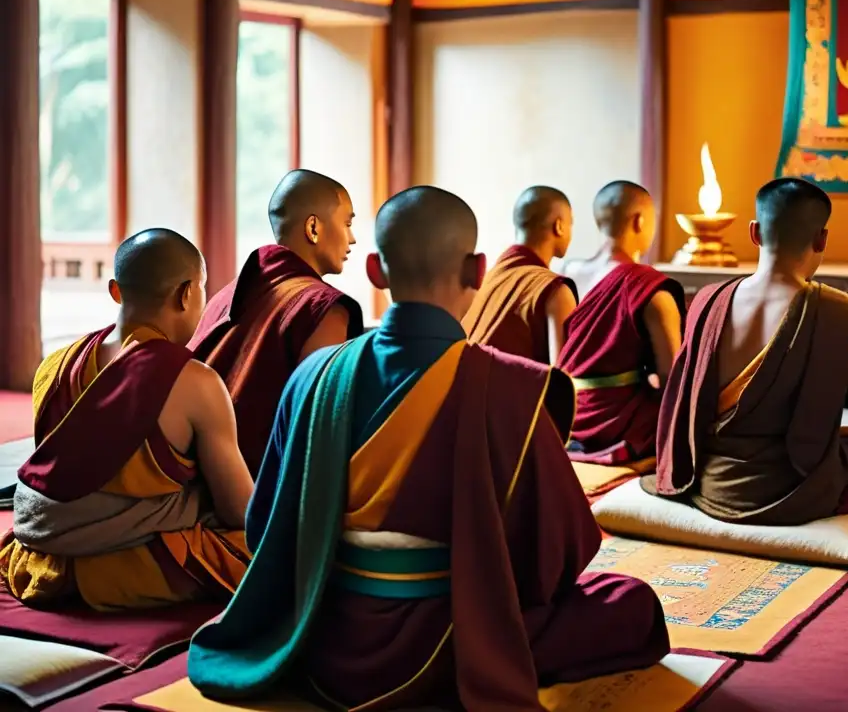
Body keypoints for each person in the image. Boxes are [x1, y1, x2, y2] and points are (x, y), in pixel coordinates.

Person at [187, 186, 669, 711]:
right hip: (458, 633)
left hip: (326, 634)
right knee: (633, 605)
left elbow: (265, 529)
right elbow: (562, 551)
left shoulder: (313, 377)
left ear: (375, 270)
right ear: (477, 271)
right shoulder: (509, 387)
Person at [649, 178, 848, 528]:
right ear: (822, 239)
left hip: (710, 483)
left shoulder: (707, 301)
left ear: (754, 233)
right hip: (791, 491)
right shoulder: (837, 315)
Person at [0, 230, 252, 611]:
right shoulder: (197, 382)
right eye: (201, 288)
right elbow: (238, 510)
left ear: (115, 291)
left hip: (39, 557)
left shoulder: (53, 366)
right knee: (275, 544)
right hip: (132, 565)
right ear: (186, 294)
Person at [188, 169, 364, 476]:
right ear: (313, 227)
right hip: (260, 491)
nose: (352, 238)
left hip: (203, 478)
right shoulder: (322, 308)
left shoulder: (227, 294)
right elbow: (320, 428)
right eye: (347, 223)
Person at [557, 181, 686, 466]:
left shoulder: (566, 274)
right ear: (640, 221)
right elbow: (671, 380)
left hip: (564, 416)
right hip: (615, 424)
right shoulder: (650, 287)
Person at [462, 185, 578, 363]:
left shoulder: (488, 278)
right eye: (571, 223)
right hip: (514, 391)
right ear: (559, 226)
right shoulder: (556, 292)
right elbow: (562, 382)